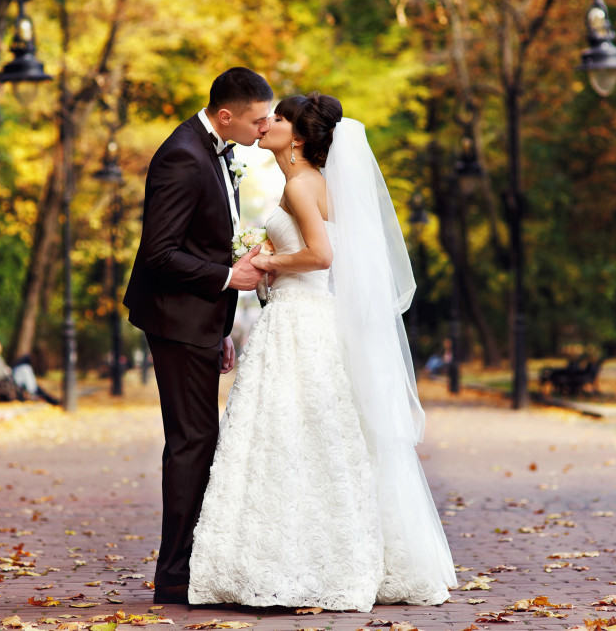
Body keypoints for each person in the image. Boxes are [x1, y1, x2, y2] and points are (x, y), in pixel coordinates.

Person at [187, 94, 456, 610]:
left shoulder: (301, 184)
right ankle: (314, 557)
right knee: (312, 440)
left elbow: (320, 256)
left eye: (280, 119)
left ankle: (297, 562)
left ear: (301, 137)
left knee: (289, 438)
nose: (268, 124)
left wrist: (266, 263)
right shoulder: (319, 185)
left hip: (299, 322)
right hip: (306, 320)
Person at [123, 67, 272, 605]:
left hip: (200, 321)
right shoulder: (183, 155)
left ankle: (187, 566)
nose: (266, 127)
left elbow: (207, 240)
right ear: (226, 115)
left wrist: (223, 326)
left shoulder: (215, 150)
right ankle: (175, 576)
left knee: (199, 440)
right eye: (258, 120)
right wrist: (232, 278)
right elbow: (160, 254)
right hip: (175, 319)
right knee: (192, 443)